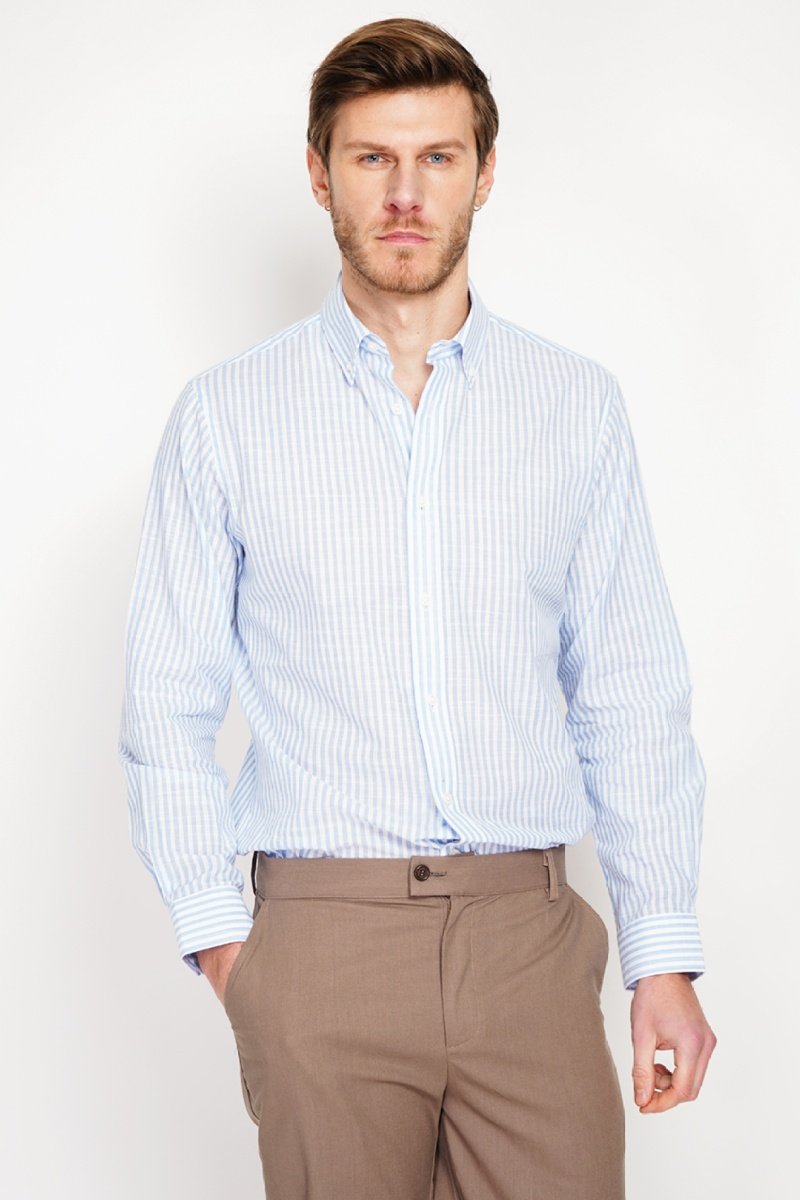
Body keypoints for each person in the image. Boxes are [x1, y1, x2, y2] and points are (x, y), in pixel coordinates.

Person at [118, 16, 716, 1199]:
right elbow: (162, 702)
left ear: (482, 174)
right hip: (319, 943)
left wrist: (661, 955)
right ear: (319, 173)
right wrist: (231, 952)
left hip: (527, 941)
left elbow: (628, 694)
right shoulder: (227, 417)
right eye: (371, 158)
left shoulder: (573, 407)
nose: (404, 193)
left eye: (436, 157)